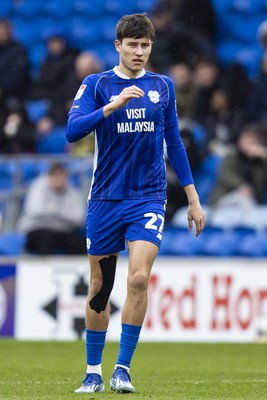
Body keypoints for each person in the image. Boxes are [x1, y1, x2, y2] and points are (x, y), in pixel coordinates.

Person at [65, 13, 205, 394]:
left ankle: (122, 369)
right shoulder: (96, 84)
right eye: (133, 45)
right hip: (105, 199)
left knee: (139, 278)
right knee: (99, 286)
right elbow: (72, 130)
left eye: (145, 45)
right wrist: (111, 106)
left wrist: (193, 199)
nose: (139, 52)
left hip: (147, 198)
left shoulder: (163, 86)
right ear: (118, 46)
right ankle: (93, 371)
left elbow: (174, 143)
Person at [17, 162, 86, 255]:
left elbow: (78, 219)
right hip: (37, 228)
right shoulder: (38, 186)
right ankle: (43, 268)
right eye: (54, 175)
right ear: (49, 176)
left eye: (61, 175)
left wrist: (53, 209)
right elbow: (34, 210)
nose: (58, 179)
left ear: (66, 177)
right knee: (45, 239)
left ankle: (71, 269)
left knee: (77, 242)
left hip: (62, 231)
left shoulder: (73, 192)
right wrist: (63, 214)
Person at [209, 124, 267, 207]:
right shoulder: (232, 156)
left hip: (253, 201)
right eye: (248, 138)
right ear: (240, 141)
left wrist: (264, 155)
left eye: (255, 140)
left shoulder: (260, 160)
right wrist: (241, 185)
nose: (252, 143)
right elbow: (224, 174)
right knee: (244, 200)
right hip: (226, 198)